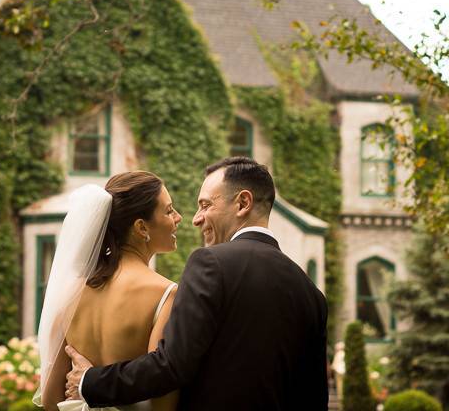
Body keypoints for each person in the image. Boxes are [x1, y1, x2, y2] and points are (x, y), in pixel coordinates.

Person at [65, 156, 329, 411]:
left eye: (205, 205)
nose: (195, 218)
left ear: (243, 203)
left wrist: (90, 382)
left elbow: (171, 366)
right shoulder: (311, 293)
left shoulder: (211, 263)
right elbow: (315, 399)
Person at [34, 171, 183, 411]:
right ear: (141, 227)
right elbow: (162, 399)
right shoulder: (165, 293)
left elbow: (51, 399)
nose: (178, 218)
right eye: (168, 210)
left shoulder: (73, 292)